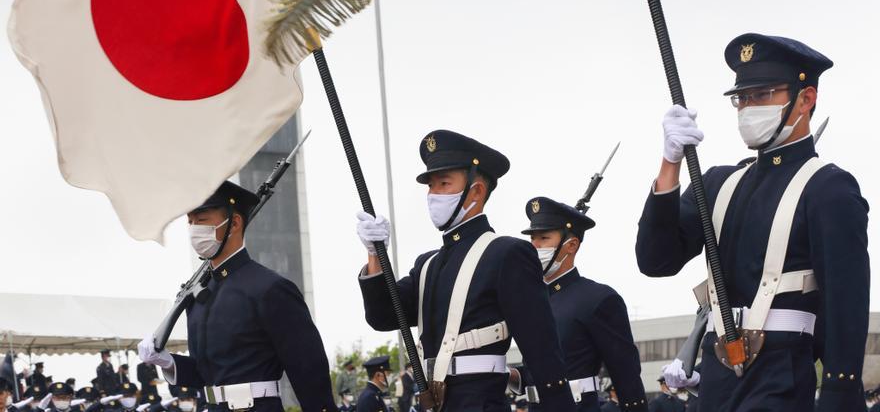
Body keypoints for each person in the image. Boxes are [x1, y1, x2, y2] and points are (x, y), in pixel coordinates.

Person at [635, 33, 870, 411]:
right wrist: (670, 164)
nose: (747, 108)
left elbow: (846, 304)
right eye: (741, 98)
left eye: (762, 96)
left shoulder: (829, 187)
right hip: (716, 380)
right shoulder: (717, 183)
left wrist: (840, 392)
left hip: (781, 380)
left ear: (805, 99)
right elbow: (655, 260)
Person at [356, 130, 577, 411]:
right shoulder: (427, 265)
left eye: (444, 184)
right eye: (431, 187)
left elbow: (542, 351)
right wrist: (375, 254)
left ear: (476, 191)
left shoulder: (506, 254)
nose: (434, 195)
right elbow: (383, 315)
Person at [138, 181, 338, 412]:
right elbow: (206, 374)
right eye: (190, 222)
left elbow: (308, 372)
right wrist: (167, 361)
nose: (194, 229)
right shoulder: (199, 296)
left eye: (201, 220)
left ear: (234, 223)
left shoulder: (270, 288)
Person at [515, 197, 647, 411]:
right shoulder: (532, 300)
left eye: (544, 238)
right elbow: (542, 370)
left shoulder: (598, 298)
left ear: (571, 245)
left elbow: (626, 375)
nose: (534, 246)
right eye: (532, 239)